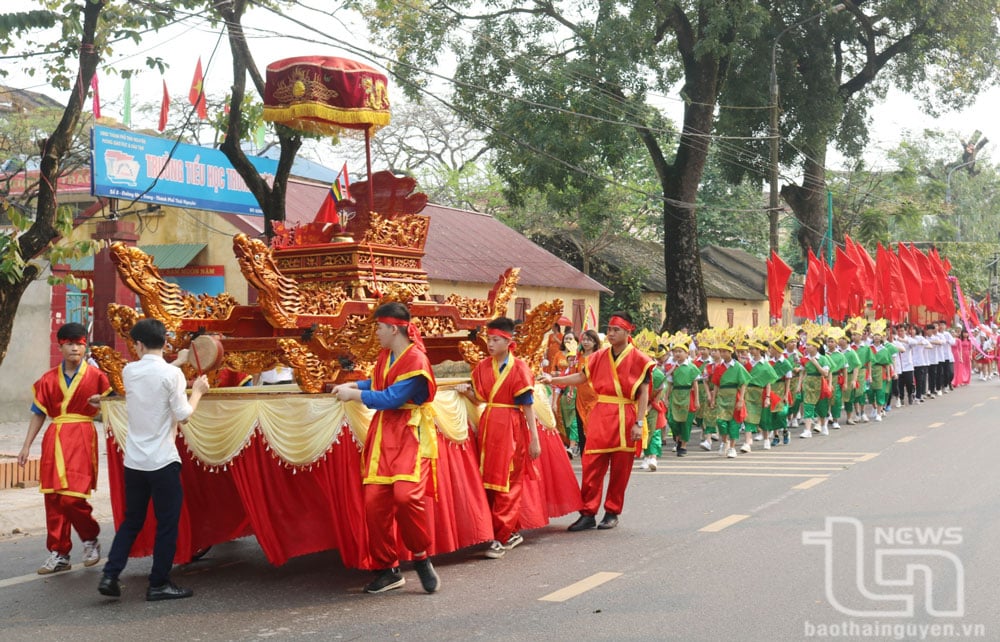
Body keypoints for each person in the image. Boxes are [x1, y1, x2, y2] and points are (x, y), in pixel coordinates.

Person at [332, 302, 440, 594]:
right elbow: (379, 382)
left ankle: (421, 557)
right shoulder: (387, 356)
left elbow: (393, 396)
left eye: (378, 327)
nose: (376, 333)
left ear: (394, 328)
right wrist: (348, 383)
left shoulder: (416, 359)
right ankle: (387, 568)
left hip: (408, 434)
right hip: (383, 434)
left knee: (406, 497)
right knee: (374, 504)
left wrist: (354, 394)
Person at [98, 318, 209, 601]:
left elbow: (153, 374)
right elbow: (184, 414)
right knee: (167, 523)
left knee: (131, 521)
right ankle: (158, 583)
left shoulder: (129, 370)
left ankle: (110, 574)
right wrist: (197, 391)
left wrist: (179, 363)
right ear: (164, 342)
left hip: (134, 461)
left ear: (138, 345)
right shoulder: (172, 376)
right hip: (162, 461)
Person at [540, 311, 652, 531]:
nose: (610, 333)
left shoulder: (640, 359)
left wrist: (639, 422)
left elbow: (644, 392)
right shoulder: (597, 357)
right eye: (609, 329)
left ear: (628, 332)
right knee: (591, 464)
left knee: (621, 469)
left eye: (616, 330)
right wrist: (554, 379)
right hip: (601, 413)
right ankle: (588, 512)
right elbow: (581, 377)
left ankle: (612, 511)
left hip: (624, 413)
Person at [19, 322, 112, 575]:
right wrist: (26, 445)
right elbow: (38, 413)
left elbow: (114, 407)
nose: (74, 348)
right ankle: (59, 552)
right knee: (54, 498)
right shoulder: (48, 379)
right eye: (69, 343)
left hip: (82, 435)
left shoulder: (98, 377)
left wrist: (102, 403)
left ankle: (90, 538)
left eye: (79, 344)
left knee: (72, 497)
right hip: (55, 436)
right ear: (60, 346)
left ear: (85, 347)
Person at [456, 317, 541, 559]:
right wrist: (468, 393)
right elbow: (481, 398)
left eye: (495, 340)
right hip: (489, 424)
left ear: (508, 341)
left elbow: (528, 406)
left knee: (508, 481)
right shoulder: (482, 367)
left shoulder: (520, 368)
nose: (490, 344)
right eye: (489, 339)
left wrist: (534, 439)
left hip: (512, 427)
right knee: (490, 480)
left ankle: (501, 537)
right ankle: (509, 531)